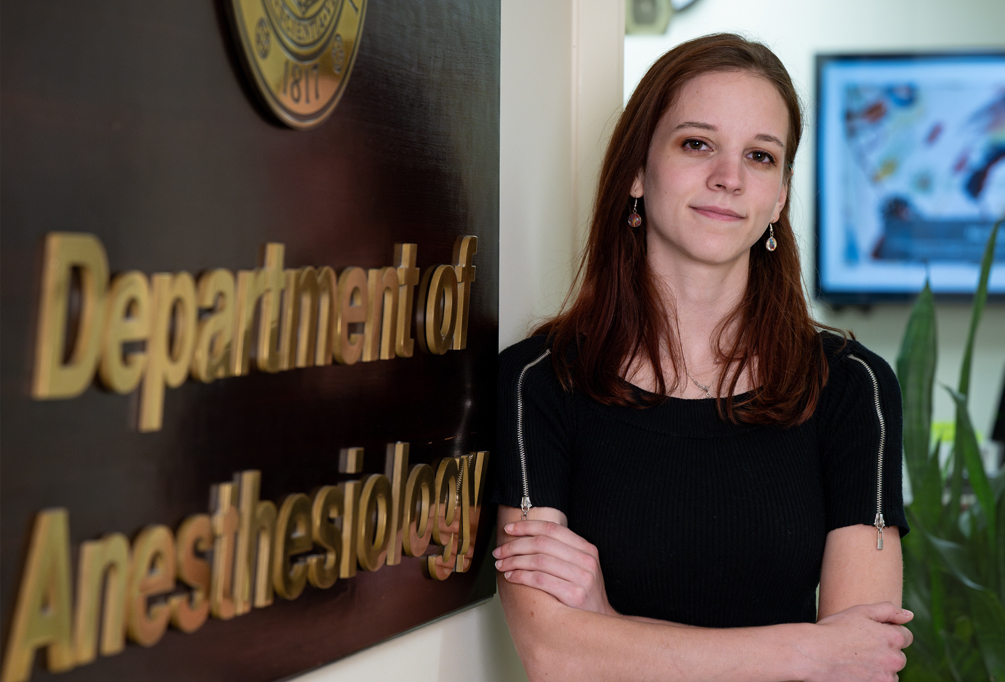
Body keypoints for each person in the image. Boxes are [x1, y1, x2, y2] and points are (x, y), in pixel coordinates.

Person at [489, 33, 913, 682]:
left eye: (760, 156)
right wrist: (805, 649)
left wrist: (602, 625)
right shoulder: (539, 382)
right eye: (696, 144)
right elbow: (552, 654)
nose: (728, 177)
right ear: (636, 170)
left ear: (778, 198)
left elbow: (861, 666)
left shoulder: (850, 386)